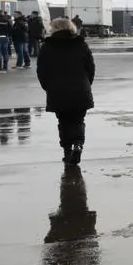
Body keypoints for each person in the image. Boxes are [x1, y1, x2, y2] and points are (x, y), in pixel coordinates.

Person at [36, 17, 96, 166]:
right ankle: (78, 144)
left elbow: (41, 71)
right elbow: (91, 67)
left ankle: (67, 150)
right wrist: (87, 84)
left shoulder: (47, 47)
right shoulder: (81, 44)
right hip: (80, 89)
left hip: (57, 90)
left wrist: (48, 87)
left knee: (63, 121)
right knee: (78, 120)